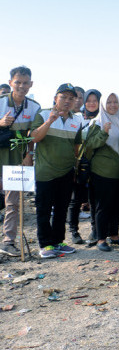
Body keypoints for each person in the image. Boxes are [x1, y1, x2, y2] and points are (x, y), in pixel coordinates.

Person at [30, 84, 82, 258]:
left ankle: (58, 241)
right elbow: (34, 137)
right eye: (63, 97)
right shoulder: (44, 114)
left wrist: (75, 167)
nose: (67, 101)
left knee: (61, 209)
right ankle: (45, 244)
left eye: (71, 98)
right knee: (43, 209)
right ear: (55, 98)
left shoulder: (76, 120)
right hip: (45, 172)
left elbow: (76, 146)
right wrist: (50, 121)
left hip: (67, 172)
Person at [0, 66, 42, 257]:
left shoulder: (34, 107)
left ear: (31, 84)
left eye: (25, 83)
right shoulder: (0, 103)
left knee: (13, 203)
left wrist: (29, 156)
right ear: (10, 83)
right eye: (18, 82)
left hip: (16, 160)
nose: (21, 86)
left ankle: (8, 241)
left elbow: (32, 136)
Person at [84, 93, 119, 252]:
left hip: (118, 171)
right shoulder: (96, 122)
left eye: (115, 101)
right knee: (103, 206)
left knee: (116, 205)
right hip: (102, 171)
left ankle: (115, 236)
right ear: (103, 105)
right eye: (109, 102)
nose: (112, 105)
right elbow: (90, 145)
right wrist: (103, 132)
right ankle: (101, 239)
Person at [69, 88, 101, 245]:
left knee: (95, 199)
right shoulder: (76, 118)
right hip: (80, 165)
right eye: (89, 100)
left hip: (98, 165)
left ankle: (95, 231)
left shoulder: (103, 118)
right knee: (75, 200)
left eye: (95, 100)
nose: (91, 103)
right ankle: (74, 231)